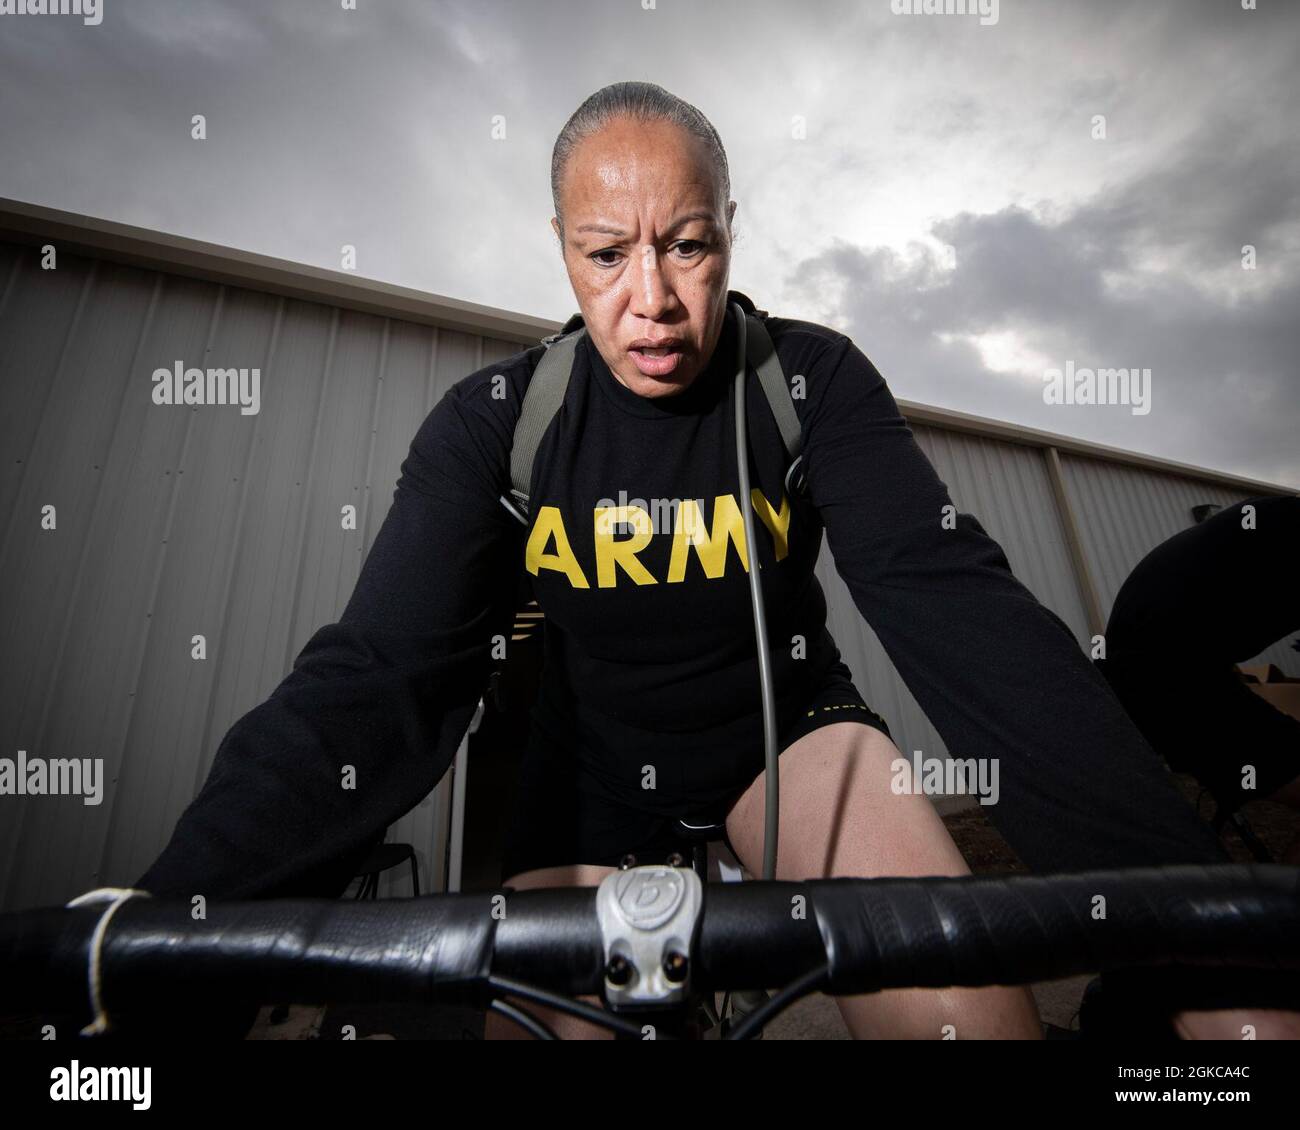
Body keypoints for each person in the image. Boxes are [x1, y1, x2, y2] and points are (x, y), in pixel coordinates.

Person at [134, 81, 1294, 1040]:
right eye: (604, 254)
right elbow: (379, 672)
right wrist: (170, 922)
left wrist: (1188, 923)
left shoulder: (810, 380)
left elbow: (967, 618)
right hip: (588, 764)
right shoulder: (494, 422)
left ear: (729, 230)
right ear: (559, 247)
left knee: (971, 1024)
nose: (651, 301)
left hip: (788, 727)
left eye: (686, 245)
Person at [1096, 494, 1300, 862]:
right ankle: (1278, 916)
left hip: (1161, 677)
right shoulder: (1283, 526)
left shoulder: (1273, 517)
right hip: (1170, 684)